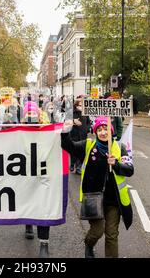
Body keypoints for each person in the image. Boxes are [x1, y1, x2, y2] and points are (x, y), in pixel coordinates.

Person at [61, 116, 134, 258]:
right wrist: (65, 132)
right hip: (93, 199)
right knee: (97, 231)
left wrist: (116, 164)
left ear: (111, 131)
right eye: (99, 130)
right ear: (95, 132)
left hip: (114, 201)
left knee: (112, 235)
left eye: (105, 129)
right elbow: (68, 146)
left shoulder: (120, 147)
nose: (102, 132)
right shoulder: (88, 145)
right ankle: (89, 244)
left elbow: (130, 169)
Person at [20, 101, 51, 257]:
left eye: (33, 113)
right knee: (28, 201)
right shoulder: (18, 131)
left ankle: (44, 243)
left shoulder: (46, 130)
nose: (31, 116)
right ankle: (28, 224)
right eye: (28, 114)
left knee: (43, 207)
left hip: (43, 174)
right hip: (25, 173)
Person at [70, 99, 91, 174]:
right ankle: (72, 164)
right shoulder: (71, 113)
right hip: (74, 135)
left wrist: (87, 129)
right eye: (79, 105)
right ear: (76, 106)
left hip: (83, 135)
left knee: (81, 151)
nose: (81, 107)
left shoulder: (86, 113)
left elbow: (89, 123)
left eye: (82, 105)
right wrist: (73, 121)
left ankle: (79, 167)